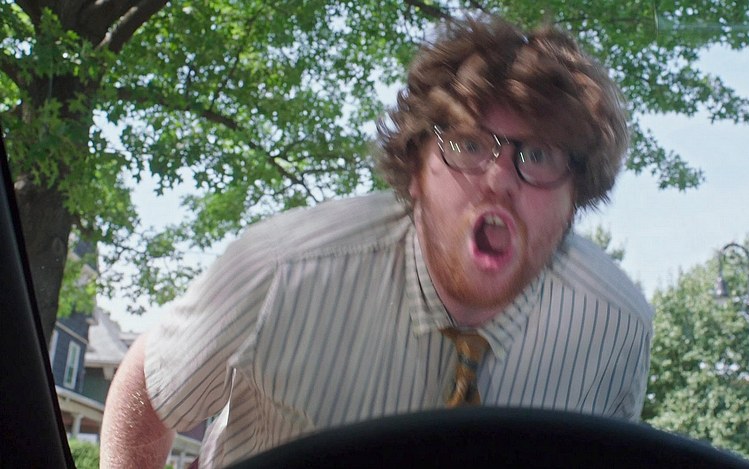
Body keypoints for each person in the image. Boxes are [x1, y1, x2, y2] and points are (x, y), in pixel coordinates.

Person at [101, 15, 653, 468]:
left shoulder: (615, 327)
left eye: (539, 156)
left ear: (577, 197)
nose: (499, 179)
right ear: (414, 170)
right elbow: (149, 389)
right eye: (467, 145)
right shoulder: (280, 271)